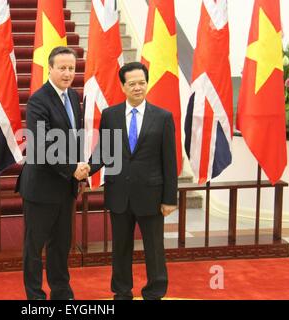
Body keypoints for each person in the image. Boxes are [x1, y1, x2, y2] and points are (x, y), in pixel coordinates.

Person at [89, 62, 178, 300]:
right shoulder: (110, 115)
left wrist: (170, 198)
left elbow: (170, 161)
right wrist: (88, 167)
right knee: (121, 248)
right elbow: (104, 151)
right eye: (132, 84)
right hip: (119, 194)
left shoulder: (163, 117)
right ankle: (121, 291)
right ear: (123, 86)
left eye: (142, 83)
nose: (138, 88)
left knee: (154, 249)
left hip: (152, 195)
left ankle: (155, 291)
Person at [16, 46, 90, 300]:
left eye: (72, 68)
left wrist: (80, 170)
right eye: (62, 68)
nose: (68, 73)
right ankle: (35, 297)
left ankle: (61, 292)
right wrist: (72, 169)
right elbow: (42, 144)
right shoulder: (38, 100)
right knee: (34, 247)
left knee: (60, 245)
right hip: (41, 187)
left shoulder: (73, 97)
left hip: (65, 187)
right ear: (50, 68)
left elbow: (75, 139)